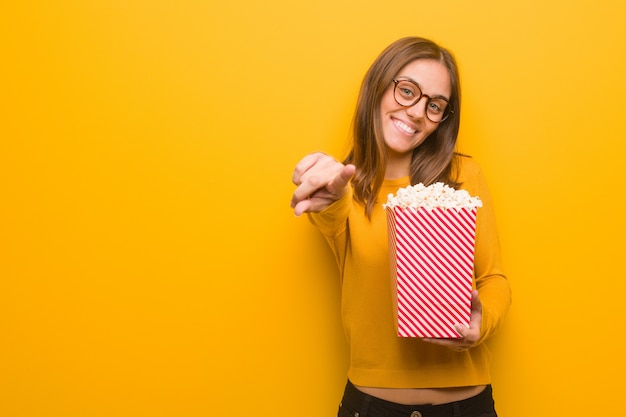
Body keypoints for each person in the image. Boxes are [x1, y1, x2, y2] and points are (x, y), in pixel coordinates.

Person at [290, 37, 511, 417]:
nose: (417, 112)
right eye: (407, 90)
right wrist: (327, 199)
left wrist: (481, 323)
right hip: (373, 406)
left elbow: (493, 279)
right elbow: (332, 215)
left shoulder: (462, 177)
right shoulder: (343, 186)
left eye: (434, 105)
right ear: (378, 86)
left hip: (467, 404)